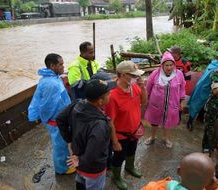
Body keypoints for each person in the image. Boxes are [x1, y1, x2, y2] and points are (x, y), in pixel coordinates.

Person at [28, 53, 75, 175]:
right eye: (60, 65)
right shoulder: (51, 83)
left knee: (61, 143)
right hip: (55, 120)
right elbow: (47, 106)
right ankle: (61, 169)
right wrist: (50, 120)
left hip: (59, 118)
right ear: (52, 66)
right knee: (60, 145)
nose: (63, 67)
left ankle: (64, 164)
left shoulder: (52, 78)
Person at [64, 79, 116, 190]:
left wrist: (68, 140)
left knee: (81, 181)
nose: (110, 95)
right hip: (93, 168)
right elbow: (94, 152)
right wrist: (80, 161)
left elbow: (60, 119)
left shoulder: (77, 103)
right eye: (108, 94)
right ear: (100, 101)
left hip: (78, 155)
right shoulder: (99, 126)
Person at [105, 61, 147, 190]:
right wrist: (115, 141)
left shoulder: (133, 86)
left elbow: (144, 102)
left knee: (132, 151)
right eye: (133, 75)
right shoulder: (112, 96)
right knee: (119, 156)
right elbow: (109, 121)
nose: (137, 78)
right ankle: (116, 177)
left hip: (134, 131)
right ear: (123, 75)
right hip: (121, 135)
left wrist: (143, 87)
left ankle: (130, 167)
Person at [144, 51, 186, 148]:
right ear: (162, 65)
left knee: (168, 122)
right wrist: (146, 100)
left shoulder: (178, 74)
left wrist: (182, 102)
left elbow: (182, 87)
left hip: (172, 104)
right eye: (166, 65)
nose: (169, 67)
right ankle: (152, 137)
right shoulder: (155, 73)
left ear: (174, 64)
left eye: (171, 65)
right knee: (154, 122)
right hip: (156, 104)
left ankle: (166, 138)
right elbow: (148, 88)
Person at [187, 53, 218, 131]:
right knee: (196, 104)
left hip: (205, 87)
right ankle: (190, 121)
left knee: (204, 104)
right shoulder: (216, 68)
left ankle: (200, 118)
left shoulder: (214, 64)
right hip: (204, 88)